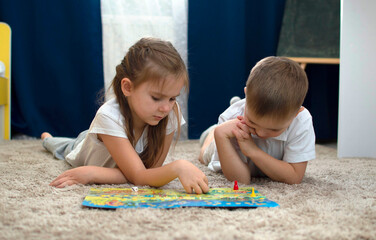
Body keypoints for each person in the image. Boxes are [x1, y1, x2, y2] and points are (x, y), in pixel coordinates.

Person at [42, 37, 209, 194]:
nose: (166, 107)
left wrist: (93, 173)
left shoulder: (171, 112)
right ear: (128, 87)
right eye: (156, 97)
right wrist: (177, 167)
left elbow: (148, 174)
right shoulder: (108, 116)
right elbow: (141, 176)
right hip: (87, 144)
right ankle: (47, 138)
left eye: (173, 98)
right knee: (63, 146)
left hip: (118, 143)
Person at [199, 56, 315, 185]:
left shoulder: (301, 121)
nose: (260, 133)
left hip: (250, 144)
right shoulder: (231, 118)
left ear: (296, 112)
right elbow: (241, 180)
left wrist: (252, 151)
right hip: (226, 131)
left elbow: (294, 177)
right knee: (204, 155)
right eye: (253, 123)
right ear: (246, 94)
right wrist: (220, 135)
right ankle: (212, 133)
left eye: (274, 129)